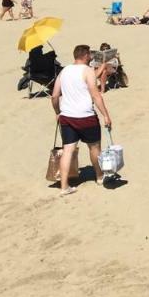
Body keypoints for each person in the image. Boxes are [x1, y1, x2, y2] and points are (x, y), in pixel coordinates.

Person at [51, 44, 112, 196]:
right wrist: (105, 115)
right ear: (85, 56)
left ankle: (64, 186)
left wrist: (57, 112)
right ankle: (99, 176)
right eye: (89, 54)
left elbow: (54, 95)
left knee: (68, 150)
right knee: (94, 147)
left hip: (67, 117)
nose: (91, 56)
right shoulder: (87, 71)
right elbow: (95, 95)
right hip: (86, 116)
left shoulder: (64, 71)